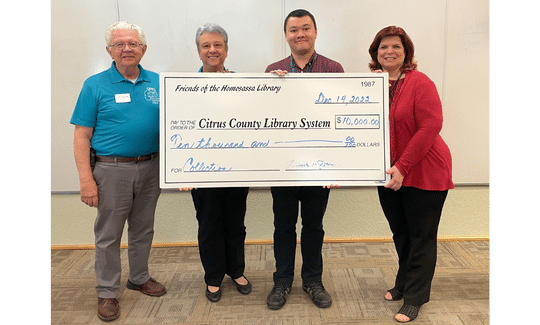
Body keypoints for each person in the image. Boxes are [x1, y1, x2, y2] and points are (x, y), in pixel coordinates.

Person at [71, 21, 166, 322]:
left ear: (143, 49)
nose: (127, 48)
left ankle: (138, 277)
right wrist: (86, 180)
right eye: (119, 44)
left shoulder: (159, 82)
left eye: (133, 43)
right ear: (109, 50)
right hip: (111, 171)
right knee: (109, 234)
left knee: (143, 228)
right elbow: (81, 136)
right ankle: (107, 292)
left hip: (152, 167)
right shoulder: (94, 85)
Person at [368, 26, 454, 322]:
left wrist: (403, 166)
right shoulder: (369, 84)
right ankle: (404, 283)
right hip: (388, 173)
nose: (389, 51)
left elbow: (431, 126)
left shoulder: (420, 82)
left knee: (421, 236)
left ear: (406, 53)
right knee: (401, 232)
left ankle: (415, 297)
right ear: (375, 53)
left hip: (424, 170)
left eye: (395, 47)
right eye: (383, 47)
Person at [264, 9, 343, 310]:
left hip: (319, 167)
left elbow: (341, 118)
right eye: (294, 29)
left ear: (315, 32)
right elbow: (263, 118)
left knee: (314, 226)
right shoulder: (273, 69)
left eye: (306, 28)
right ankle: (282, 281)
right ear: (286, 36)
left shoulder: (333, 69)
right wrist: (271, 87)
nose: (300, 34)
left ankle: (313, 280)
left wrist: (338, 166)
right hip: (283, 166)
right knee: (283, 226)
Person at [185, 23, 251, 303]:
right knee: (209, 223)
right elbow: (179, 131)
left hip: (237, 168)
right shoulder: (184, 88)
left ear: (226, 49)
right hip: (202, 170)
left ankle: (236, 270)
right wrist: (182, 172)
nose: (212, 50)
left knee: (236, 222)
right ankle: (213, 276)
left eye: (217, 45)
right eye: (206, 46)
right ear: (199, 51)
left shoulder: (244, 84)